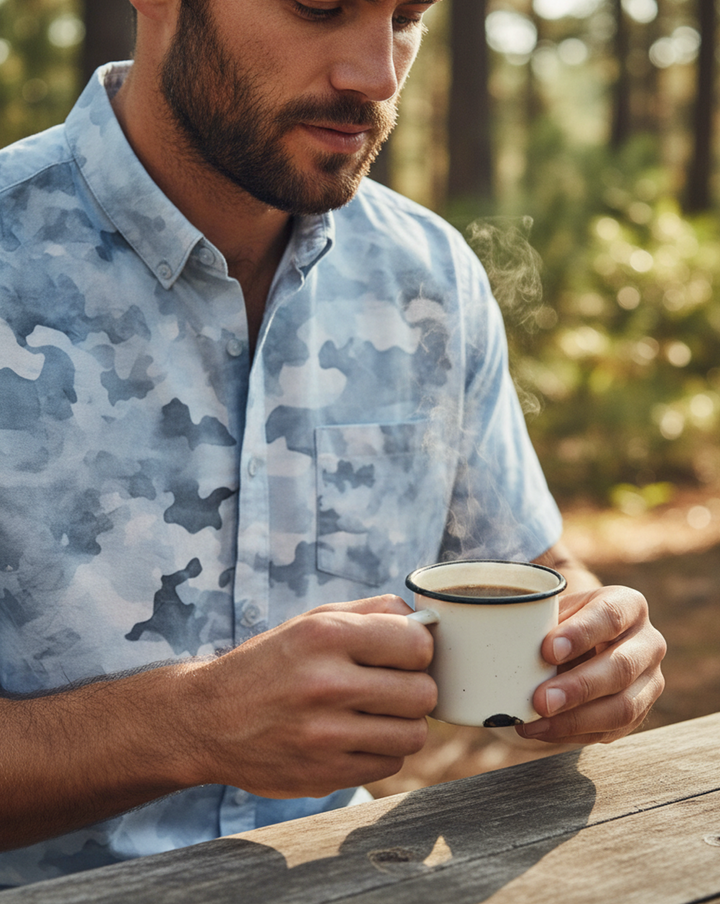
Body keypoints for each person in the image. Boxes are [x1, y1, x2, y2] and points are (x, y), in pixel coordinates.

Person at [0, 0, 665, 887]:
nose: (377, 77)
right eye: (320, 5)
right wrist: (187, 724)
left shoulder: (429, 277)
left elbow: (528, 568)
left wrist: (599, 652)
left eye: (405, 17)